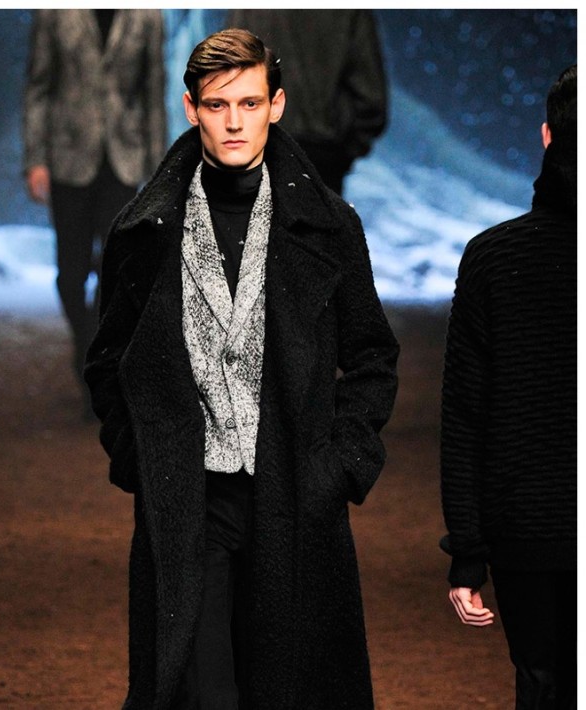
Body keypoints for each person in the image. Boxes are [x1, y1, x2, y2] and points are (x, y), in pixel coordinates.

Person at [84, 28, 399, 710]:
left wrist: (340, 465)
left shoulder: (328, 226)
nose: (234, 122)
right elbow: (108, 359)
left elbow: (373, 355)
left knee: (285, 687)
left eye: (249, 103)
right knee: (203, 690)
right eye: (218, 104)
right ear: (191, 108)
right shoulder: (145, 231)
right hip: (188, 496)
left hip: (294, 490)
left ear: (276, 106)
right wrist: (139, 457)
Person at [440, 65, 576, 709]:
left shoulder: (493, 258)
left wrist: (468, 553)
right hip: (530, 526)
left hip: (526, 528)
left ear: (547, 136)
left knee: (543, 682)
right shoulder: (493, 259)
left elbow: (466, 416)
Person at [23, 9, 166, 417]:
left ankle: (101, 370)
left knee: (117, 270)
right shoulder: (54, 11)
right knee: (70, 274)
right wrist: (35, 159)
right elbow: (38, 86)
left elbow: (153, 92)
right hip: (67, 157)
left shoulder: (146, 14)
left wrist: (161, 168)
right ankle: (87, 351)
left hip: (123, 161)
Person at [226, 10, 387, 195]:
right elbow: (371, 99)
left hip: (259, 152)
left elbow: (226, 77)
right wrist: (343, 154)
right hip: (322, 158)